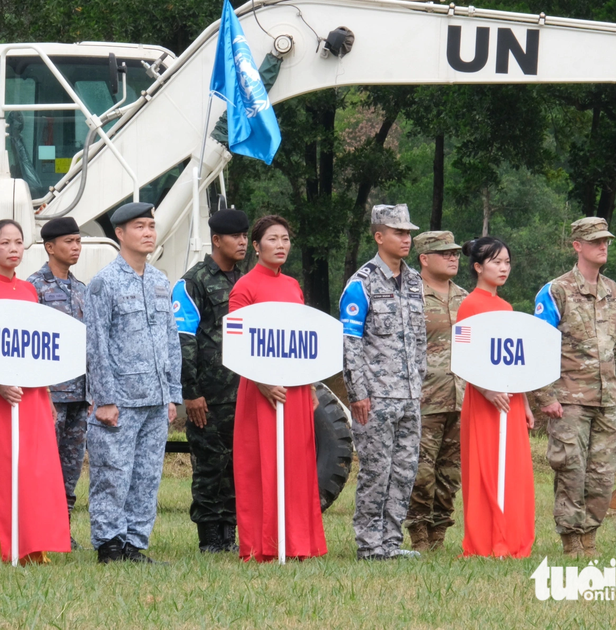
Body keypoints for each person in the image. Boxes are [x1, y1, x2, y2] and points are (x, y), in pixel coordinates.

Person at [0, 219, 71, 565]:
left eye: (18, 242)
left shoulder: (29, 291)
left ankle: (31, 545)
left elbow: (36, 348)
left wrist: (47, 394)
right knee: (2, 464)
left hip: (33, 394)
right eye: (5, 243)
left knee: (35, 468)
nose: (13, 249)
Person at [85, 202, 181, 564]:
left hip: (155, 400)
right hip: (120, 401)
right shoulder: (103, 283)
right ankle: (109, 544)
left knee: (146, 477)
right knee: (112, 474)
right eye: (139, 226)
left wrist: (173, 394)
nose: (147, 233)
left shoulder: (160, 281)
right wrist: (105, 399)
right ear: (119, 234)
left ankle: (135, 544)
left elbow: (171, 341)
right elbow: (96, 345)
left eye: (151, 226)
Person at [533, 217, 616, 558]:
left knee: (603, 475)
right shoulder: (556, 291)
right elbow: (538, 345)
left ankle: (590, 538)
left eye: (605, 241)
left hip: (606, 399)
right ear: (577, 246)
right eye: (595, 242)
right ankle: (571, 541)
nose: (603, 246)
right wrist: (545, 396)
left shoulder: (613, 291)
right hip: (569, 398)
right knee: (571, 470)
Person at [231, 214, 326, 562]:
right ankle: (263, 544)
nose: (281, 245)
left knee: (297, 465)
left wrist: (311, 384)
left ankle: (299, 543)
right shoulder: (245, 287)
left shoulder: (293, 285)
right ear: (256, 246)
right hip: (261, 390)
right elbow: (237, 343)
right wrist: (263, 382)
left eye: (285, 239)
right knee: (262, 465)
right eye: (273, 239)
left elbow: (303, 340)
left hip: (297, 389)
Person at [339, 203, 426, 561]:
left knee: (404, 472)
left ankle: (390, 542)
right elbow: (350, 343)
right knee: (377, 472)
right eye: (399, 232)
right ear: (379, 236)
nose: (406, 239)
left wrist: (419, 386)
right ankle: (369, 545)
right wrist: (357, 393)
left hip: (409, 397)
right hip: (375, 398)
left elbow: (420, 341)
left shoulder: (416, 282)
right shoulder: (361, 284)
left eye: (408, 233)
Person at [173, 208, 249, 553]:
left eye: (246, 236)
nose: (243, 242)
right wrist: (191, 392)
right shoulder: (195, 281)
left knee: (237, 465)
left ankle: (229, 534)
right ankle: (210, 538)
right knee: (210, 465)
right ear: (216, 240)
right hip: (209, 394)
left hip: (243, 392)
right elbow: (184, 340)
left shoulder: (244, 281)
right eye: (236, 237)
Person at [457, 236, 535, 558]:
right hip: (483, 401)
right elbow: (462, 357)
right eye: (496, 262)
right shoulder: (469, 305)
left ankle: (512, 538)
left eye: (507, 262)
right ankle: (485, 541)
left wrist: (526, 402)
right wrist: (487, 390)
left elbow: (514, 360)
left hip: (511, 401)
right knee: (485, 470)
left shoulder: (506, 308)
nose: (504, 268)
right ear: (478, 267)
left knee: (513, 471)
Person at [27, 216, 88, 551]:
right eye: (69, 242)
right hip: (49, 393)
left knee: (71, 464)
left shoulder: (82, 289)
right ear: (50, 247)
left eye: (78, 241)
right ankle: (38, 529)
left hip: (79, 392)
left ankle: (61, 529)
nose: (75, 247)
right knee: (43, 465)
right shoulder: (34, 287)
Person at [405, 231, 468, 552]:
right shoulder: (408, 295)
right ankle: (418, 535)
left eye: (455, 252)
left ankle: (440, 535)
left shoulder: (465, 298)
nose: (453, 257)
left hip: (460, 399)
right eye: (445, 253)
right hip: (423, 399)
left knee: (449, 473)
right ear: (425, 259)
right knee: (421, 471)